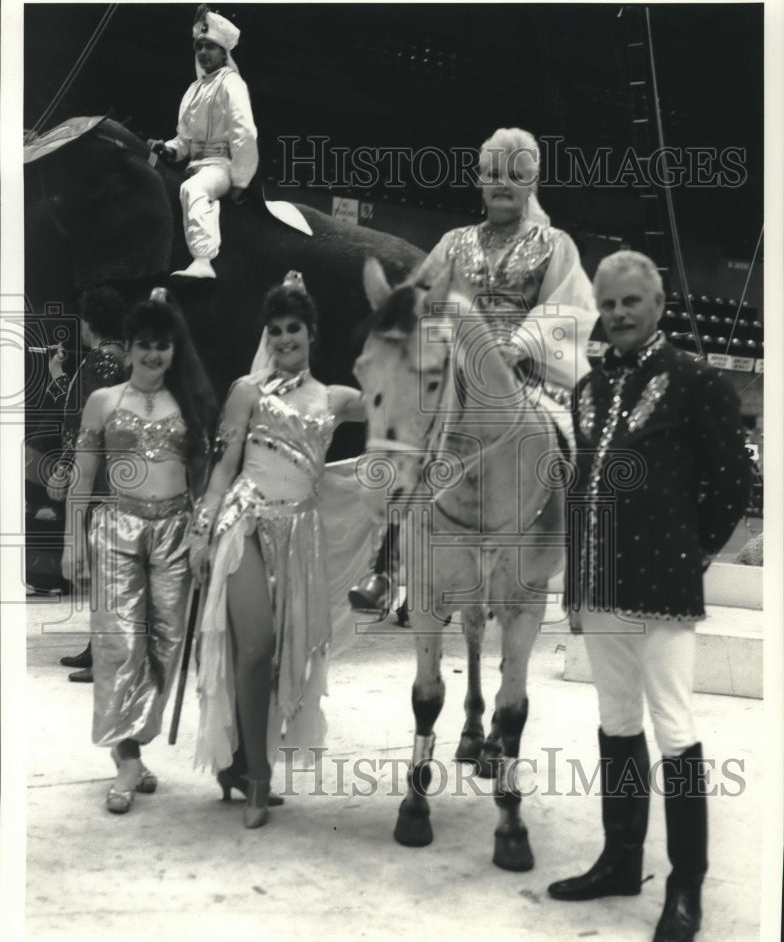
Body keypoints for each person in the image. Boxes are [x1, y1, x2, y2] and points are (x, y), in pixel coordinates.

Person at [548, 251, 753, 942]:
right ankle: (620, 859)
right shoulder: (587, 390)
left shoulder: (695, 381)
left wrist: (689, 551)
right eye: (608, 305)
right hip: (602, 586)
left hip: (662, 592)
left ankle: (686, 885)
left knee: (674, 729)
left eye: (631, 302)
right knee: (615, 722)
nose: (618, 315)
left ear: (658, 303)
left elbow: (732, 479)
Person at [348, 125, 598, 611]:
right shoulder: (452, 244)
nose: (502, 183)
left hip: (527, 372)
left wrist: (521, 345)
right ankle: (386, 565)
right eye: (492, 174)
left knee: (577, 442)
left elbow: (570, 307)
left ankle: (585, 563)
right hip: (451, 371)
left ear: (530, 182)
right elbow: (418, 304)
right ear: (479, 181)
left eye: (514, 174)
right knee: (407, 440)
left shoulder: (555, 244)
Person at [189, 273, 366, 828]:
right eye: (276, 330)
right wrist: (201, 529)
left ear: (312, 333)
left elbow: (400, 402)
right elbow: (222, 470)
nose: (286, 338)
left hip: (301, 536)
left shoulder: (336, 399)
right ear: (267, 335)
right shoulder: (247, 391)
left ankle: (238, 765)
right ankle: (258, 778)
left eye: (295, 328)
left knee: (282, 653)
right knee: (256, 649)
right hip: (244, 524)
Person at [63, 288, 216, 813]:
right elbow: (81, 481)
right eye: (145, 345)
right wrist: (71, 544)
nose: (155, 354)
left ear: (175, 349)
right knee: (118, 646)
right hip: (115, 531)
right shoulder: (103, 402)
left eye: (164, 345)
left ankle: (135, 747)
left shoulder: (190, 403)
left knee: (166, 650)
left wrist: (203, 537)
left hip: (176, 533)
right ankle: (126, 761)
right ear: (127, 348)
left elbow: (204, 483)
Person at [46, 286, 127, 683]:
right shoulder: (111, 359)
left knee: (102, 566)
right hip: (108, 474)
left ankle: (106, 653)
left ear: (89, 322)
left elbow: (84, 425)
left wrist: (65, 466)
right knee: (102, 567)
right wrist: (59, 376)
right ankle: (98, 647)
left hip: (99, 479)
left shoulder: (103, 361)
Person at [148, 5, 258, 279]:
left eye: (210, 47)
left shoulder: (232, 83)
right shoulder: (193, 89)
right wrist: (170, 149)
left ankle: (203, 261)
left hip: (220, 168)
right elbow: (184, 138)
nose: (203, 53)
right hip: (192, 164)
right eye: (199, 47)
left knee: (192, 189)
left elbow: (245, 132)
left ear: (224, 52)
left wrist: (240, 180)